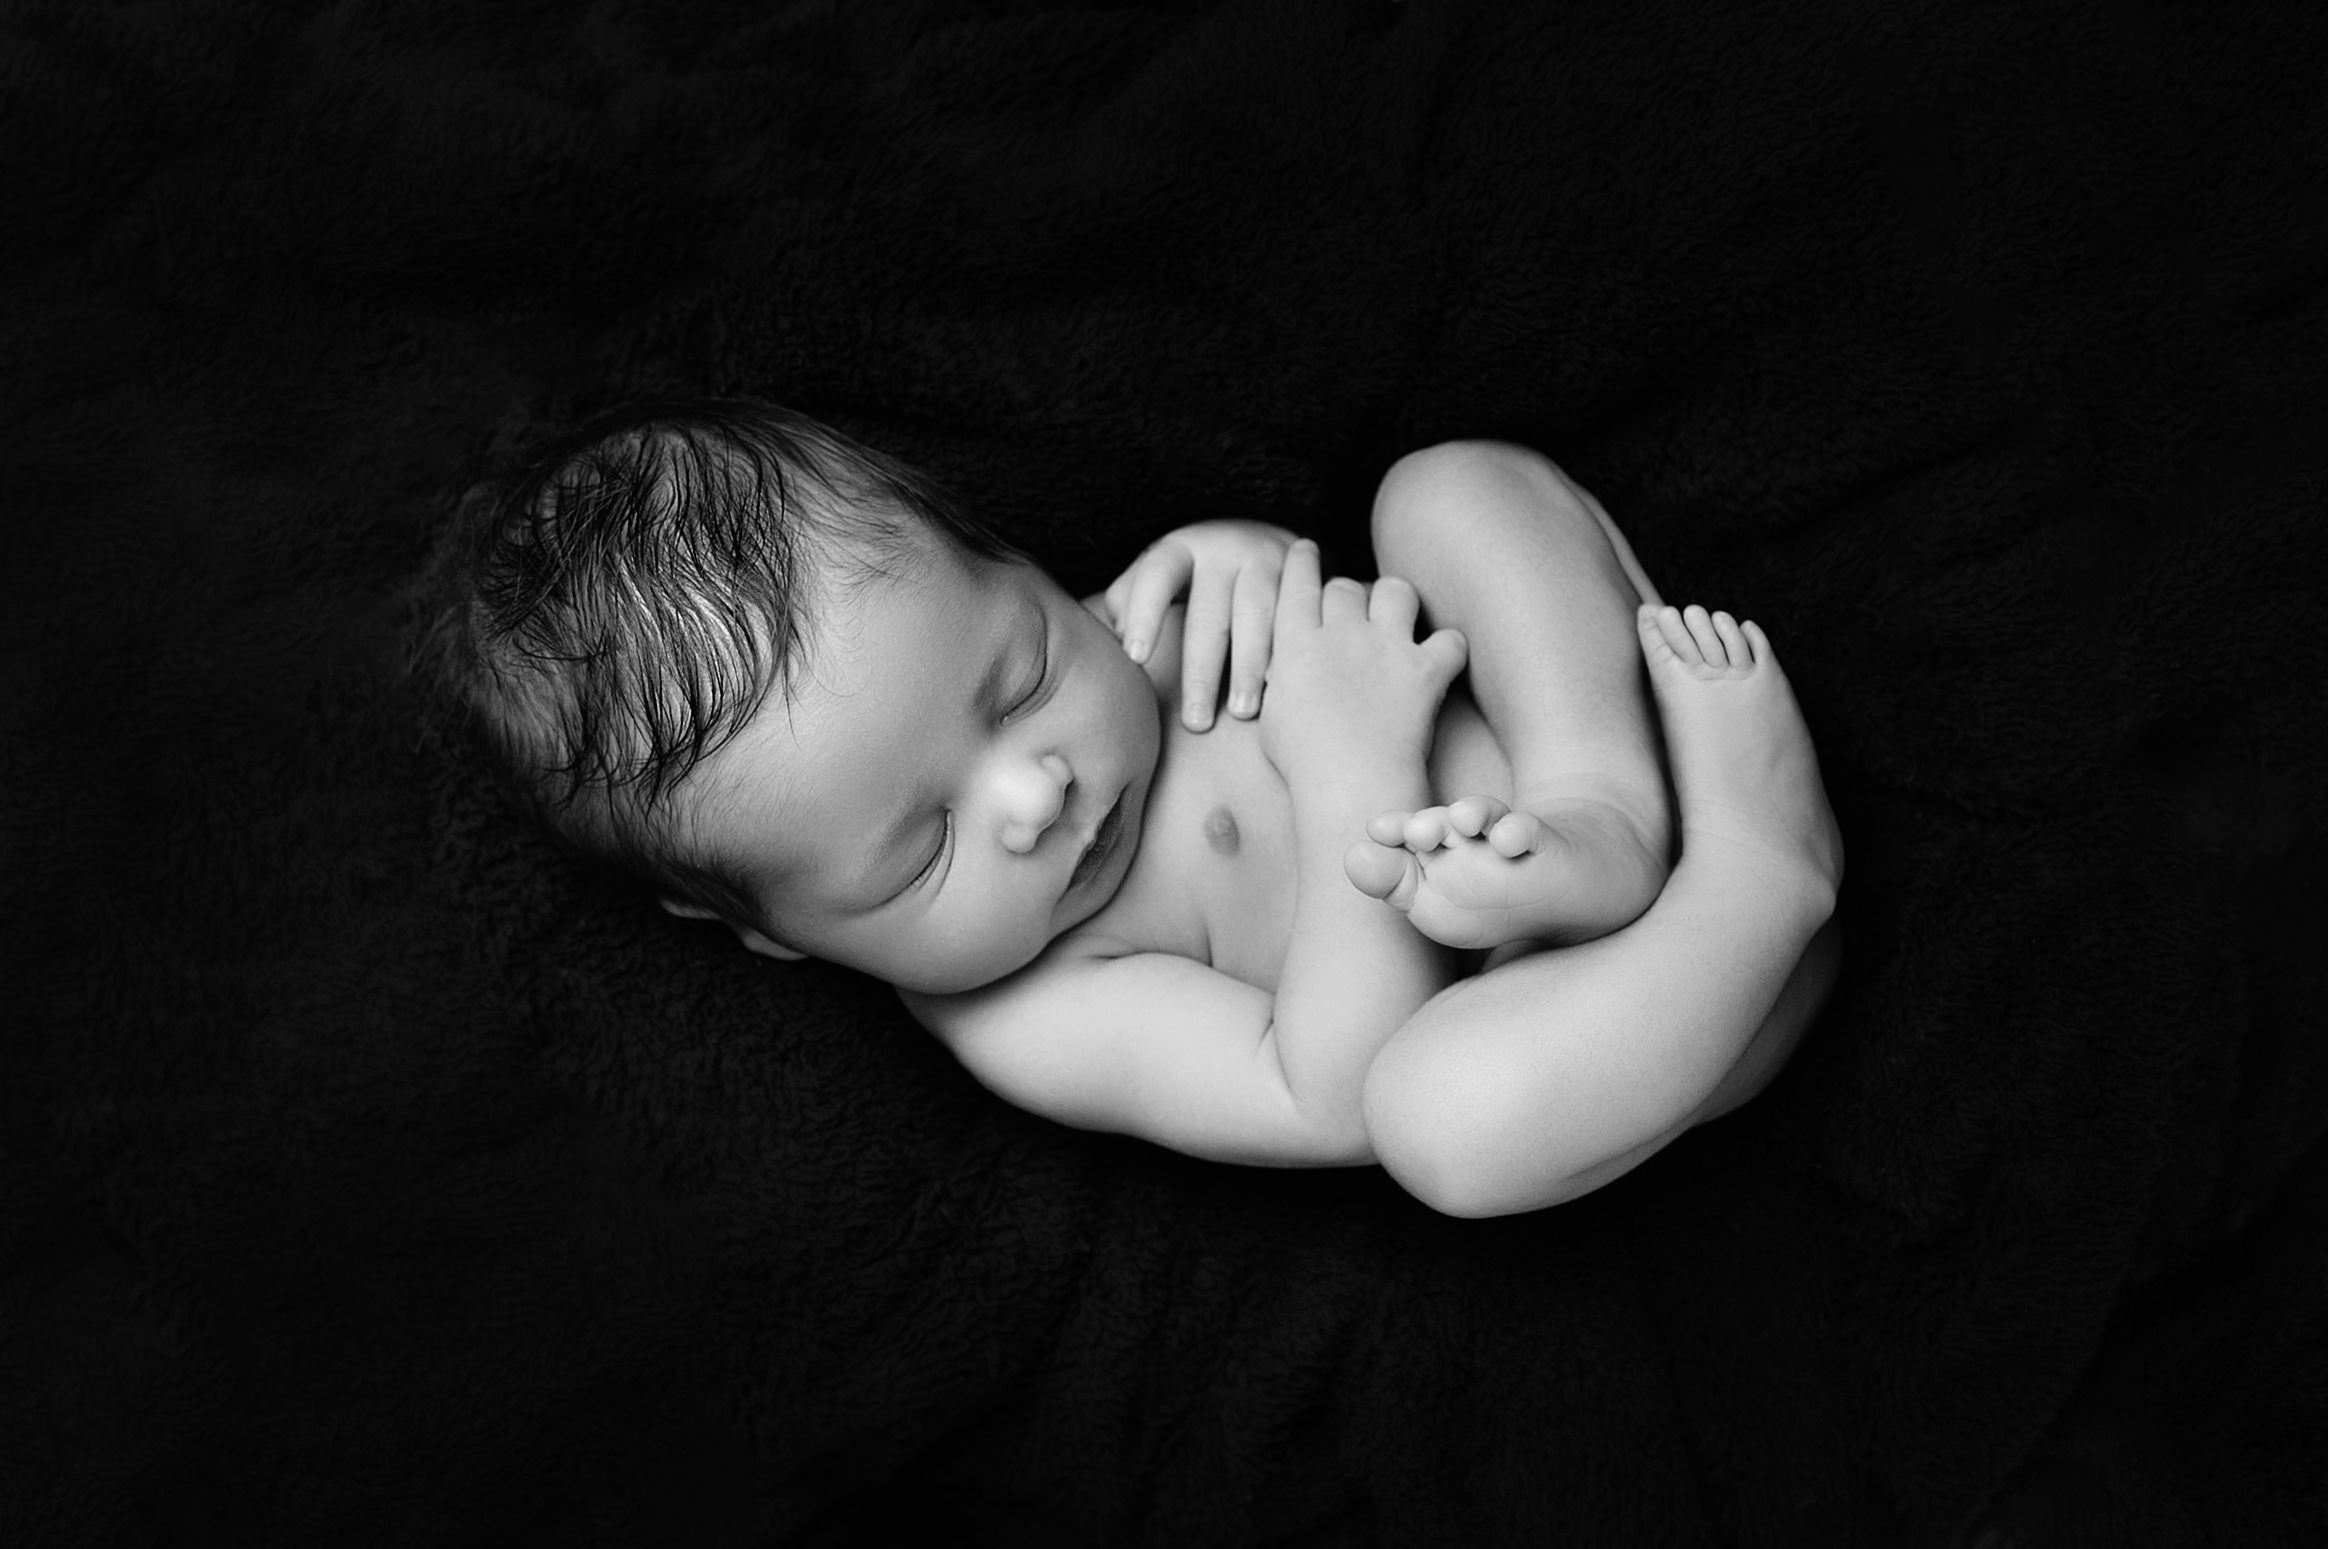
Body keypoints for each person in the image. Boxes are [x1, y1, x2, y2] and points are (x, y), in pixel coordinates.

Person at [428, 398, 1842, 1216]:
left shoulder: (1129, 629)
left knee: (1444, 492)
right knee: (1440, 1124)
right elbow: (1330, 1090)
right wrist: (1354, 766)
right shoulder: (1034, 1015)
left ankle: (1609, 803)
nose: (1034, 790)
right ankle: (1758, 872)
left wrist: (1248, 556)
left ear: (1025, 569)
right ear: (781, 933)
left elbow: (1342, 598)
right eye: (923, 848)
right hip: (1638, 1016)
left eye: (1018, 676)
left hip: (1593, 753)